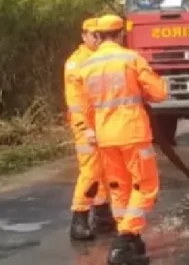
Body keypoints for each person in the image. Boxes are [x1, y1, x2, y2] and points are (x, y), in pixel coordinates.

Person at [74, 14, 168, 265]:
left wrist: (90, 132)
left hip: (105, 138)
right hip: (132, 133)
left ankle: (131, 238)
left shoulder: (86, 66)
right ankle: (125, 239)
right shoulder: (130, 59)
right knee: (146, 186)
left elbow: (84, 108)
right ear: (120, 34)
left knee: (119, 188)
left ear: (98, 36)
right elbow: (159, 94)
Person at [65, 17, 115, 241]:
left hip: (103, 124)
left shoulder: (99, 58)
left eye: (99, 34)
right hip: (87, 127)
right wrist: (85, 128)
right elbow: (74, 103)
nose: (97, 38)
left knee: (104, 171)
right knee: (90, 172)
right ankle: (79, 217)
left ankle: (103, 216)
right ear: (83, 35)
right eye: (93, 34)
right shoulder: (76, 63)